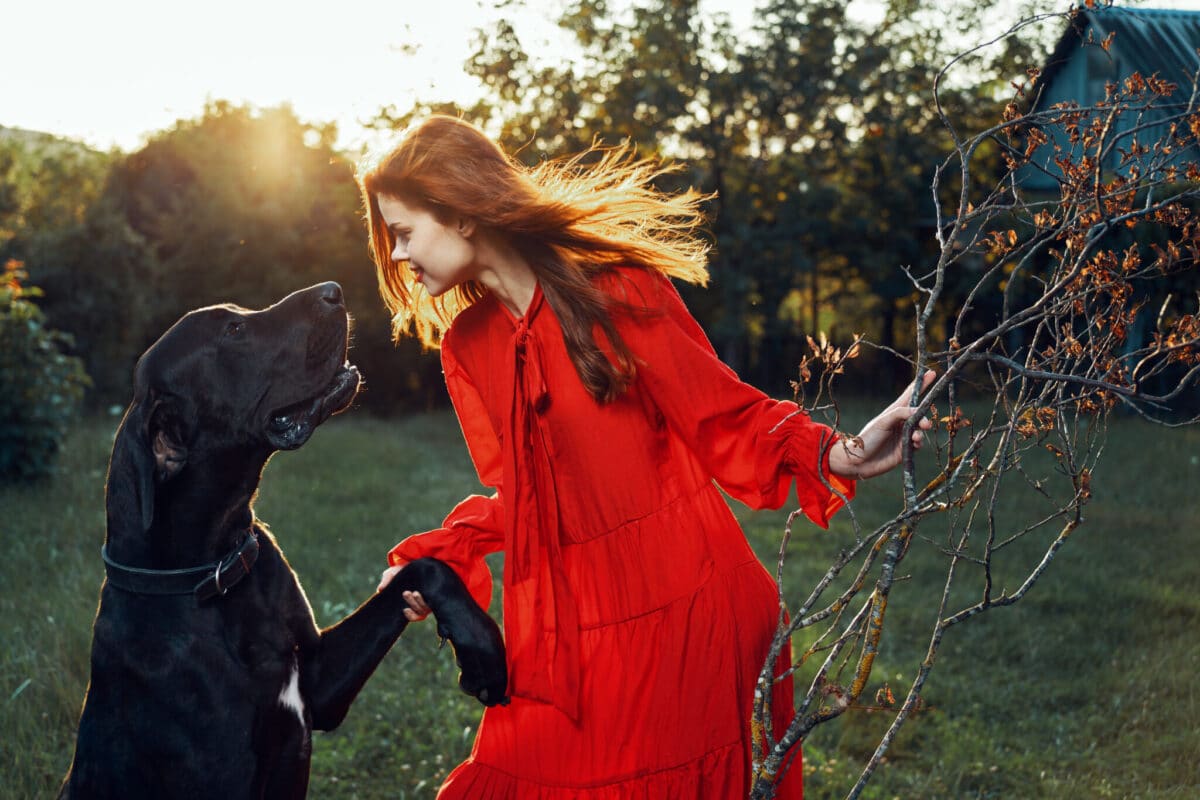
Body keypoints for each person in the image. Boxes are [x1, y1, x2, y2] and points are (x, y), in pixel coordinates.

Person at [358, 115, 933, 799]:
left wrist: (841, 453)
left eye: (403, 233)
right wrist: (442, 553)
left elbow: (724, 415)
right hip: (569, 636)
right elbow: (532, 500)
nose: (396, 257)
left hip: (686, 613)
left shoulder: (617, 290)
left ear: (458, 212)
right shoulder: (469, 345)